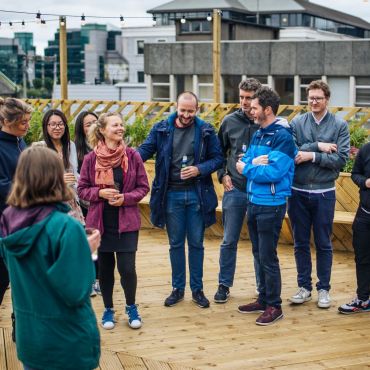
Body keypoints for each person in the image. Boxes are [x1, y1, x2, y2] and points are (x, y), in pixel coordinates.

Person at [0, 146, 100, 370]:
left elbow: (16, 266)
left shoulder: (7, 220)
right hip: (65, 342)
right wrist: (86, 251)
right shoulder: (66, 226)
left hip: (31, 339)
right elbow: (77, 291)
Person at [138, 91, 223, 309]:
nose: (186, 115)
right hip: (171, 194)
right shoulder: (161, 128)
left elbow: (217, 159)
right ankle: (177, 289)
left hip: (197, 194)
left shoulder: (205, 130)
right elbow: (143, 152)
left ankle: (197, 289)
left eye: (190, 111)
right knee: (175, 244)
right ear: (176, 107)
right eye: (182, 110)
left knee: (196, 244)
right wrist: (121, 158)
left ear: (197, 109)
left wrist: (198, 169)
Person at [78, 112, 149, 330]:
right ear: (102, 130)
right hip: (100, 224)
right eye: (115, 125)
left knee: (127, 269)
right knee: (105, 270)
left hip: (126, 221)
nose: (120, 128)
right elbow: (81, 190)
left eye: (121, 124)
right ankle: (108, 309)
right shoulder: (91, 159)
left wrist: (125, 199)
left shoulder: (132, 156)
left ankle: (131, 307)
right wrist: (100, 194)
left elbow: (144, 187)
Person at [236, 87, 296, 325]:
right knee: (258, 254)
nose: (251, 109)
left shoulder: (283, 137)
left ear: (267, 110)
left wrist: (250, 167)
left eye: (255, 106)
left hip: (271, 204)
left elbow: (274, 172)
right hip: (253, 201)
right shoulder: (258, 133)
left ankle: (274, 305)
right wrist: (253, 162)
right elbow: (243, 159)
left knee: (268, 257)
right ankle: (263, 298)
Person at [288, 80, 350, 309]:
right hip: (297, 192)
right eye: (311, 98)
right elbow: (292, 154)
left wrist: (311, 156)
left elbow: (341, 159)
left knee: (323, 243)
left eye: (318, 98)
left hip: (324, 193)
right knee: (300, 243)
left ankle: (324, 289)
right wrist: (318, 146)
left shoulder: (339, 125)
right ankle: (304, 287)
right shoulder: (296, 122)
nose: (314, 102)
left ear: (327, 100)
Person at [214, 78, 261, 303]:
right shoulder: (229, 121)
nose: (243, 102)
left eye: (249, 98)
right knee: (229, 240)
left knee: (259, 242)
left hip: (261, 192)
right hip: (235, 190)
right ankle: (224, 285)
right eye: (241, 97)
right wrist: (222, 175)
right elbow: (218, 153)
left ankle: (263, 286)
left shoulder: (267, 123)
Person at [338, 142, 370, 314]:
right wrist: (365, 182)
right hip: (364, 214)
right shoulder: (366, 149)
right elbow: (355, 174)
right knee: (362, 258)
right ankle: (363, 299)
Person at [38, 109, 85, 224]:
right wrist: (58, 180)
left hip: (71, 199)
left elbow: (74, 173)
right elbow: (37, 179)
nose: (57, 127)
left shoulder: (70, 145)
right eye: (53, 124)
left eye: (60, 124)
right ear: (46, 126)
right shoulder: (40, 148)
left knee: (74, 237)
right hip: (51, 201)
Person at [74, 111, 101, 296]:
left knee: (100, 243)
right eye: (87, 123)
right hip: (84, 202)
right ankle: (88, 279)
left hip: (101, 201)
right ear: (81, 128)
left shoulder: (104, 145)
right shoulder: (76, 149)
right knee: (85, 243)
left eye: (94, 122)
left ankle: (99, 279)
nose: (92, 125)